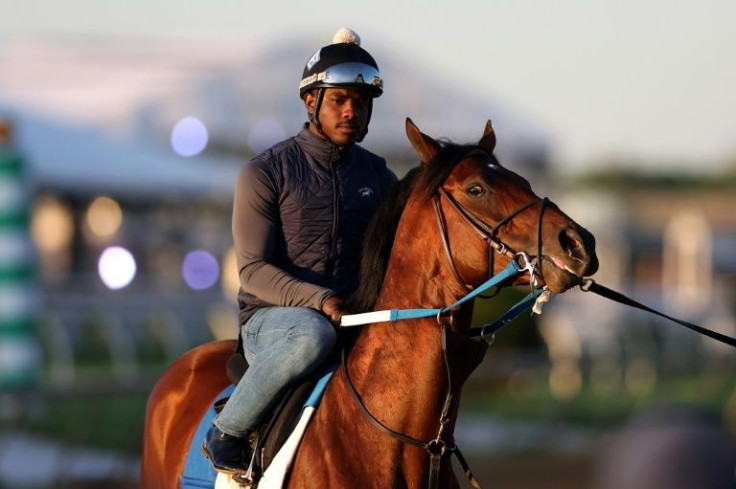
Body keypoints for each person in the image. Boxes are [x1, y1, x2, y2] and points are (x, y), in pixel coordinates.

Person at [202, 28, 397, 474]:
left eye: (361, 103)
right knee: (314, 334)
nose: (352, 111)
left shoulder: (380, 177)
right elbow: (251, 271)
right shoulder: (264, 172)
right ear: (311, 102)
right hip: (275, 322)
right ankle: (227, 432)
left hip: (354, 315)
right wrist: (319, 299)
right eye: (339, 101)